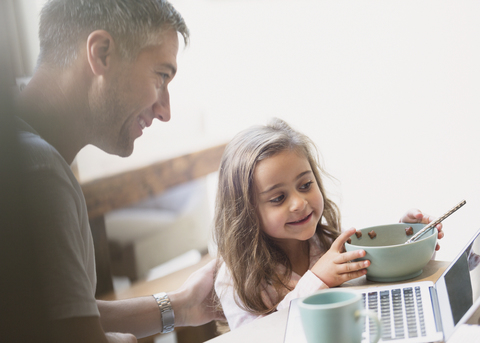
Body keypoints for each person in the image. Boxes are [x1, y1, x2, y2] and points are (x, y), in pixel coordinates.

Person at [13, 0, 223, 342]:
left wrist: (184, 305)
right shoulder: (38, 171)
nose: (164, 110)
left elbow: (65, 314)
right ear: (101, 53)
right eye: (161, 76)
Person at [213, 118, 444, 330]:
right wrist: (317, 280)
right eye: (278, 198)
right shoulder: (234, 278)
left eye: (305, 185)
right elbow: (258, 336)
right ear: (244, 213)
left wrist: (409, 238)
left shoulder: (331, 243)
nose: (299, 203)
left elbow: (384, 280)